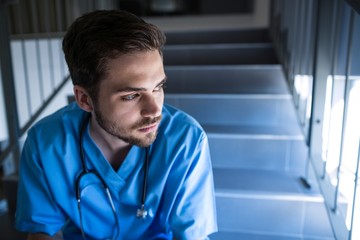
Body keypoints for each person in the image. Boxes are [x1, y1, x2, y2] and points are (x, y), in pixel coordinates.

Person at [15, 9, 217, 240]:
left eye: (158, 87)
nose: (155, 110)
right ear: (84, 99)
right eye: (131, 96)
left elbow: (192, 236)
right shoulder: (45, 142)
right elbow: (42, 232)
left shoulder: (186, 140)